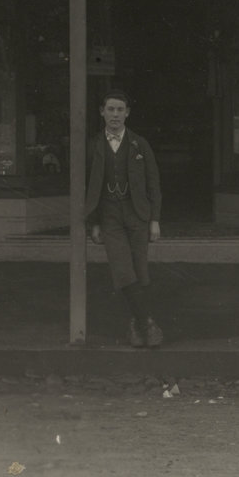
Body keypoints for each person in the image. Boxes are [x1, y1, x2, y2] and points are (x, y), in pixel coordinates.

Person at [85, 88, 163, 348]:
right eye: (110, 109)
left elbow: (154, 184)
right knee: (122, 268)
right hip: (109, 215)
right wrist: (93, 222)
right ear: (102, 112)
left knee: (140, 270)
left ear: (127, 113)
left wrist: (154, 219)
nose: (115, 114)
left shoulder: (140, 144)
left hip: (137, 214)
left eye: (120, 110)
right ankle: (147, 323)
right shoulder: (94, 145)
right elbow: (88, 185)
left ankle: (135, 324)